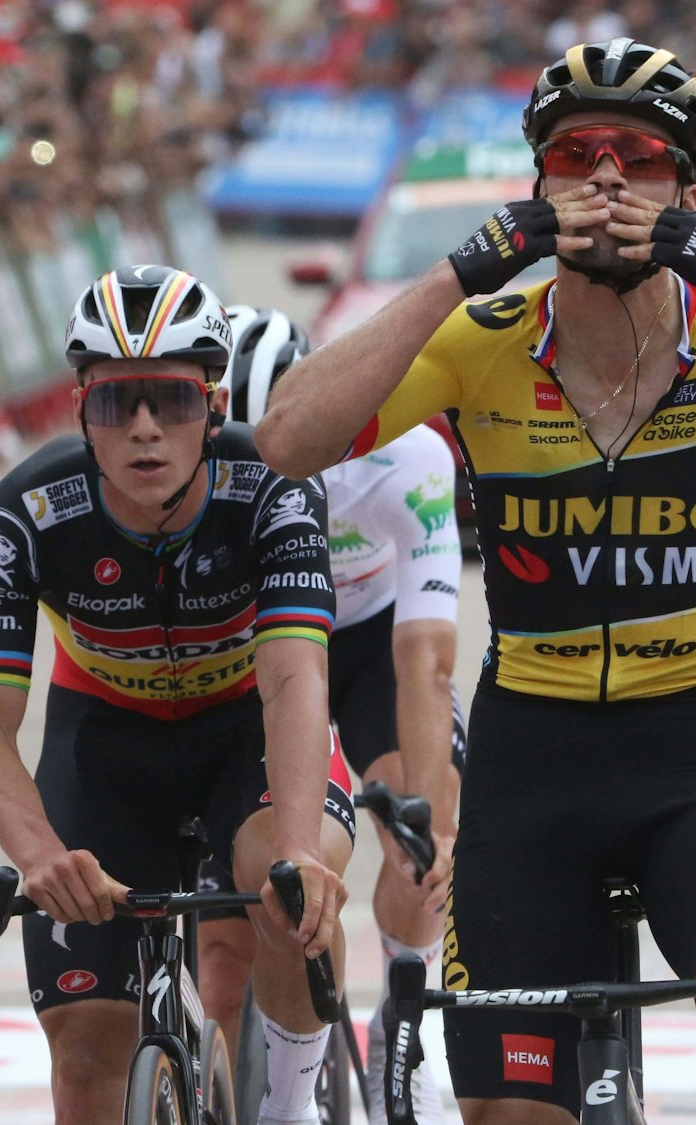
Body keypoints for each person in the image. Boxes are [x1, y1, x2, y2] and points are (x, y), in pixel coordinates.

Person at [253, 37, 696, 1122]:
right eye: (573, 154)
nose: (602, 178)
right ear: (536, 183)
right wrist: (460, 269)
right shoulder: (476, 340)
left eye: (637, 157)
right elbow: (284, 441)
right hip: (531, 765)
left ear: (685, 189)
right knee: (511, 1114)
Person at [0, 266, 354, 1125]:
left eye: (169, 402)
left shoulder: (277, 487)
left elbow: (291, 678)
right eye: (114, 403)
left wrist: (297, 853)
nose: (142, 429)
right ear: (79, 412)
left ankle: (289, 1108)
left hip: (245, 730)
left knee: (284, 887)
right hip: (104, 745)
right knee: (89, 1046)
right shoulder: (19, 516)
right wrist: (40, 858)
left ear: (214, 407)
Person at [205, 305, 463, 1124]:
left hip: (374, 641)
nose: (268, 476)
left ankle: (406, 1018)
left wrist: (431, 817)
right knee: (259, 898)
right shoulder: (194, 471)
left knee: (422, 830)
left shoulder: (405, 457)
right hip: (264, 647)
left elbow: (425, 657)